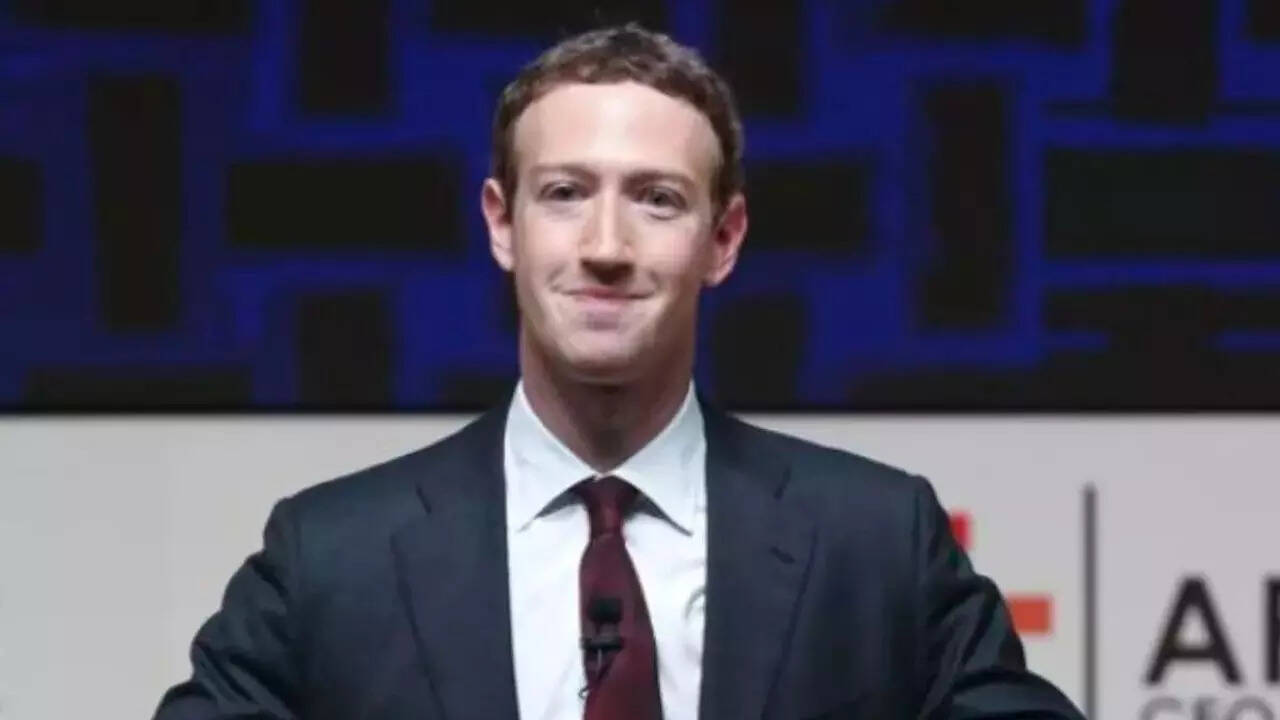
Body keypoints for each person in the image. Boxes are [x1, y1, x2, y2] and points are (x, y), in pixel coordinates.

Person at [154, 23, 1085, 720]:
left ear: (724, 239)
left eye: (657, 199)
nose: (606, 245)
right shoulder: (332, 557)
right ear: (502, 224)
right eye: (565, 193)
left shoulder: (878, 542)